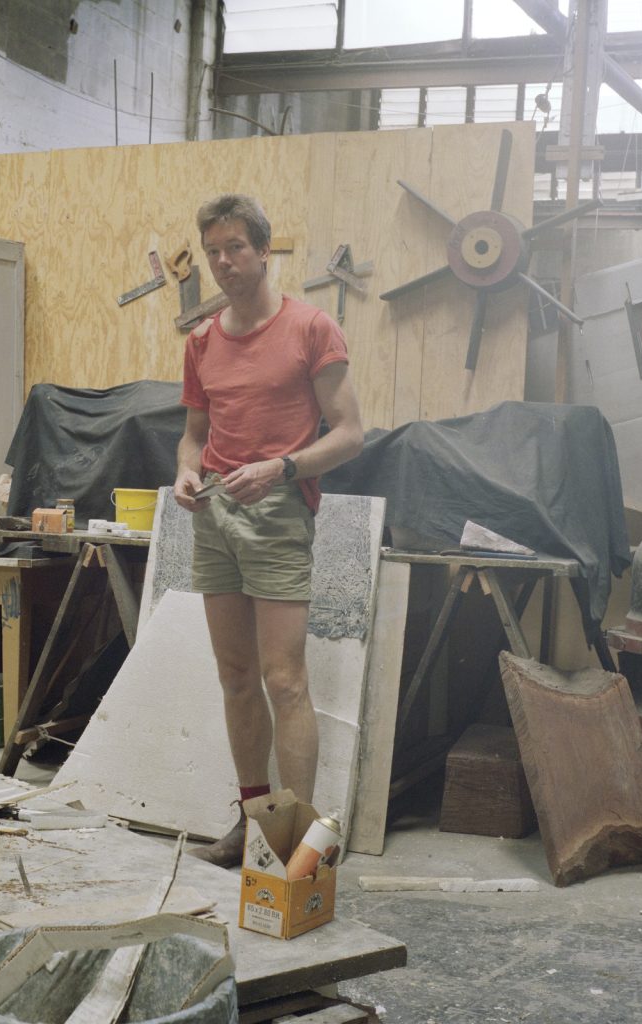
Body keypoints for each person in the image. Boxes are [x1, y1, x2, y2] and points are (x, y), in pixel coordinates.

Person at [173, 194, 365, 867]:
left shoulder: (312, 328)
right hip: (216, 512)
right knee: (235, 675)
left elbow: (349, 434)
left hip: (280, 510)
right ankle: (253, 823)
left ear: (263, 249)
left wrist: (283, 469)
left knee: (285, 679)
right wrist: (186, 476)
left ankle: (297, 839)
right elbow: (194, 436)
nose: (224, 262)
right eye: (214, 251)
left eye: (235, 248)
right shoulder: (202, 341)